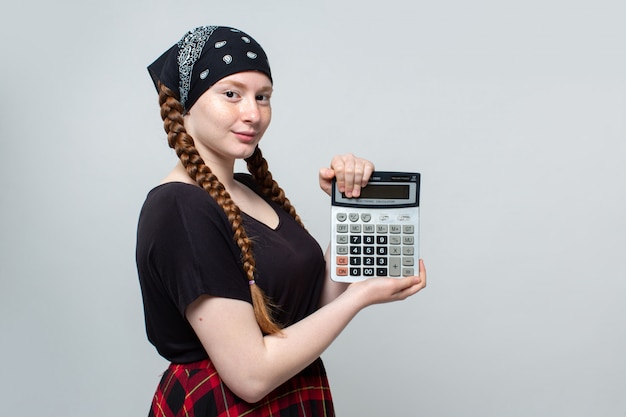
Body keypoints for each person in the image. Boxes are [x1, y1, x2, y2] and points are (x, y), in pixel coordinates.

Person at [136, 25, 427, 417]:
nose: (252, 113)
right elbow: (251, 377)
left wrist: (352, 210)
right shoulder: (180, 208)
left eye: (263, 97)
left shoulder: (247, 188)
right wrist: (360, 298)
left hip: (293, 394)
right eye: (231, 94)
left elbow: (310, 308)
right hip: (227, 406)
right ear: (186, 106)